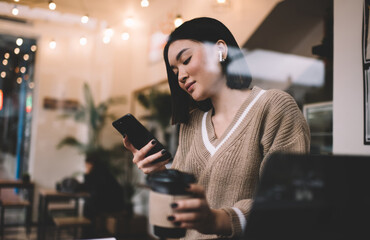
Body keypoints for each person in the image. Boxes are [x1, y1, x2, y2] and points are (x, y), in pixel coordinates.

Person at [123, 17, 310, 239]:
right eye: (174, 72)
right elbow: (182, 206)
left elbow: (285, 200)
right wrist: (159, 174)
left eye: (186, 60)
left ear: (220, 50)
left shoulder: (273, 106)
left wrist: (216, 220)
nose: (181, 76)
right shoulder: (191, 124)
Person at [79, 154, 125, 237]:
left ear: (91, 164)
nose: (86, 167)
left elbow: (90, 188)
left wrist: (87, 174)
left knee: (88, 206)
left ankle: (88, 235)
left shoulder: (97, 174)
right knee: (89, 204)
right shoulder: (104, 172)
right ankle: (90, 233)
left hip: (112, 205)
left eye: (86, 165)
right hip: (115, 203)